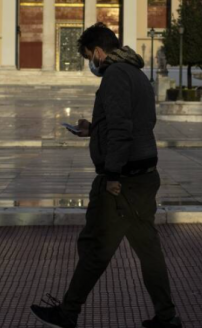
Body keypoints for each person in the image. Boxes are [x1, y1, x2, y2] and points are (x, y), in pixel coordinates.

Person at [30, 23, 182, 328]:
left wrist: (112, 174)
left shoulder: (114, 75)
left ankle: (69, 311)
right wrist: (94, 129)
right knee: (146, 248)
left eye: (89, 57)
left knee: (95, 245)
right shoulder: (136, 73)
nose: (91, 63)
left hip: (123, 180)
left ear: (98, 52)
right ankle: (166, 317)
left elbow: (122, 129)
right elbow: (133, 122)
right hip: (142, 175)